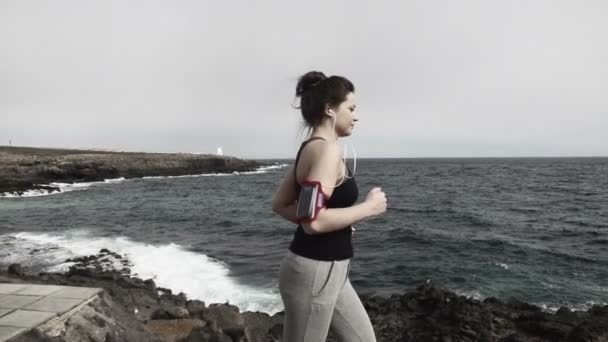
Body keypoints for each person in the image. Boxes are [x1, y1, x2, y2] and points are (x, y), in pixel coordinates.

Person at [272, 71, 388, 342]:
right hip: (315, 272)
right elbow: (314, 223)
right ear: (329, 110)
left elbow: (284, 206)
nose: (356, 116)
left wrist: (341, 221)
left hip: (331, 272)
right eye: (351, 108)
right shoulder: (326, 151)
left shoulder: (310, 147)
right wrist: (368, 208)